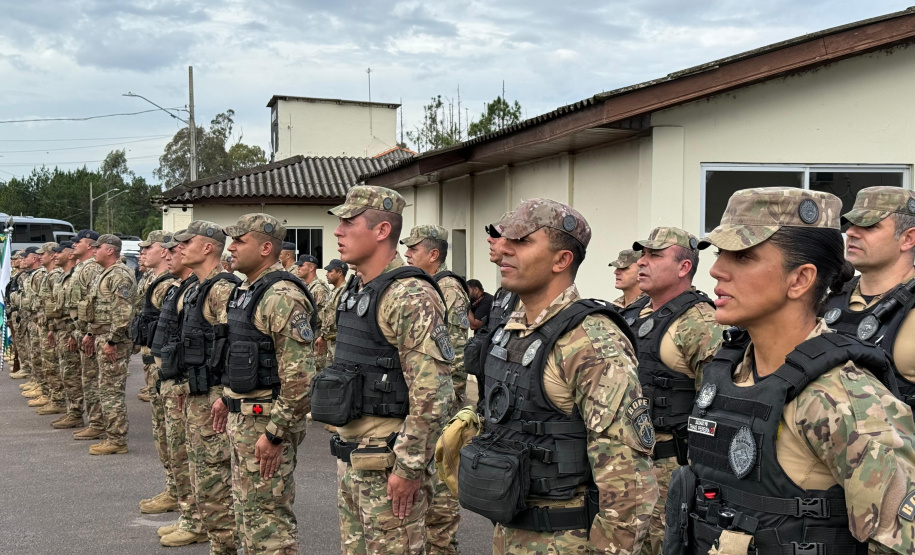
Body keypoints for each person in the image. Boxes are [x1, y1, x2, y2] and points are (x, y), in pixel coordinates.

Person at [667, 186, 915, 555]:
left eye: (744, 257)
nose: (717, 270)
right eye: (721, 254)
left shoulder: (842, 399)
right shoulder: (728, 371)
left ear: (799, 279)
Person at [460, 198, 658, 554]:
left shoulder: (590, 340)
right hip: (510, 531)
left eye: (521, 242)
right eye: (504, 239)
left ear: (561, 260)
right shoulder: (512, 328)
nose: (502, 249)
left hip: (563, 541)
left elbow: (629, 485)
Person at [311, 185, 455, 554]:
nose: (338, 232)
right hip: (354, 454)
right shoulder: (356, 289)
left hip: (388, 461)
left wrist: (408, 468)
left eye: (349, 222)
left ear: (381, 231)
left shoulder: (409, 294)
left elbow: (433, 395)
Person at [211, 214, 316, 554]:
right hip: (245, 419)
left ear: (266, 247)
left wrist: (275, 433)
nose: (231, 248)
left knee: (269, 524)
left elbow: (299, 379)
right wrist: (225, 398)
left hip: (265, 423)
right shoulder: (247, 291)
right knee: (249, 515)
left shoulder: (281, 296)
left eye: (240, 241)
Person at [628, 227, 724, 555]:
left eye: (654, 255)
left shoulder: (702, 323)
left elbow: (716, 407)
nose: (642, 262)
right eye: (642, 255)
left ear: (684, 268)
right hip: (626, 468)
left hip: (668, 470)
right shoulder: (634, 313)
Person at [401, 223, 471, 554]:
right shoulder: (419, 286)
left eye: (413, 250)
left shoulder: (448, 289)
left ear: (433, 254)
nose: (406, 255)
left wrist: (445, 414)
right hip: (427, 404)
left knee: (440, 492)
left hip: (442, 407)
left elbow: (453, 355)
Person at [172, 221, 240, 554]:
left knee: (215, 483)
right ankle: (217, 543)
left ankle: (225, 546)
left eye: (188, 242)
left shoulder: (222, 288)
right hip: (198, 393)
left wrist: (226, 395)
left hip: (215, 397)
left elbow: (236, 347)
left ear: (209, 247)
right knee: (202, 478)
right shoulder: (200, 287)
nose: (181, 247)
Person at [823, 186, 915, 403]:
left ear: (908, 239)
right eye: (852, 224)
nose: (853, 232)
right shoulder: (829, 297)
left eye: (869, 226)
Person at [151, 231, 206, 544]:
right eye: (170, 249)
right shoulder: (183, 287)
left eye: (179, 248)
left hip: (188, 386)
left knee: (191, 456)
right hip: (173, 380)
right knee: (178, 450)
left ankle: (196, 520)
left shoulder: (210, 288)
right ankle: (189, 512)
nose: (171, 253)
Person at [132, 230, 181, 515]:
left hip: (164, 365)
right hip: (154, 362)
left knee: (170, 430)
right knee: (162, 429)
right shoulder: (154, 281)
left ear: (163, 251)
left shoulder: (167, 285)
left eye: (147, 248)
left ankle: (179, 490)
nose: (142, 253)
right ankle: (174, 486)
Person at [81, 234, 136, 455]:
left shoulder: (119, 275)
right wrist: (90, 334)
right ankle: (109, 433)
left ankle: (117, 439)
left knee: (112, 391)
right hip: (102, 336)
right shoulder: (104, 274)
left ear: (110, 250)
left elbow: (123, 313)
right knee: (104, 388)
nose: (94, 251)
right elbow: (97, 309)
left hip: (114, 341)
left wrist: (112, 340)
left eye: (98, 247)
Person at [69, 229, 106, 440]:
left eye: (78, 242)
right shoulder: (81, 267)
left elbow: (94, 303)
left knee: (93, 379)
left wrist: (89, 332)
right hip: (81, 329)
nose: (74, 245)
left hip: (90, 331)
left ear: (90, 246)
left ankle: (98, 423)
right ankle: (94, 421)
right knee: (87, 378)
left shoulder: (92, 268)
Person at [48, 241, 84, 429]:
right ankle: (72, 411)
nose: (55, 255)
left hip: (72, 330)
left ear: (70, 255)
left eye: (58, 252)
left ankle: (76, 412)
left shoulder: (78, 275)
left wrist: (73, 332)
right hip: (61, 329)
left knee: (72, 373)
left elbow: (78, 309)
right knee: (66, 372)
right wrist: (53, 328)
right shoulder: (62, 277)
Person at [34, 242, 63, 414]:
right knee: (47, 363)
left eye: (43, 253)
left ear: (52, 255)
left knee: (52, 364)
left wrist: (52, 325)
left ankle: (57, 399)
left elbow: (56, 304)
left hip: (52, 325)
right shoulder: (49, 274)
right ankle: (52, 395)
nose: (40, 256)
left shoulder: (55, 275)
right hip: (46, 324)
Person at [296, 253, 331, 369]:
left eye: (301, 266)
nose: (298, 268)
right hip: (307, 337)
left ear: (311, 268)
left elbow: (324, 316)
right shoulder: (305, 287)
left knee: (316, 372)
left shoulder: (319, 288)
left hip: (316, 338)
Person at [318, 258, 349, 361]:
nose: (327, 274)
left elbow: (337, 318)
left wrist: (324, 336)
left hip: (339, 343)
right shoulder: (334, 291)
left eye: (330, 271)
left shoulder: (344, 292)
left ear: (340, 272)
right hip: (331, 342)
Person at [609, 248, 647, 313]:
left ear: (641, 272)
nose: (616, 272)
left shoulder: (650, 306)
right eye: (617, 268)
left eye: (624, 268)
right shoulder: (615, 306)